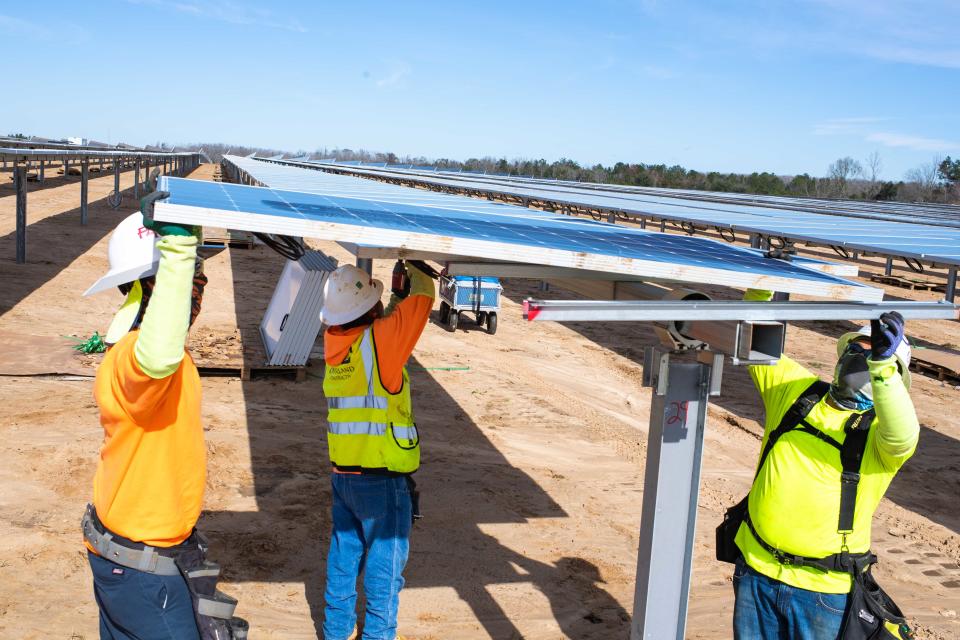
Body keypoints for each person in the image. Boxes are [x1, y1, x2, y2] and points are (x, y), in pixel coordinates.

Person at [81, 183, 243, 639]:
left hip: (126, 557)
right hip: (143, 570)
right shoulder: (139, 358)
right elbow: (159, 354)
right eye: (193, 279)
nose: (200, 287)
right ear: (154, 284)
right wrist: (178, 247)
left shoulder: (129, 351)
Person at [731, 289, 918, 639]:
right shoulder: (796, 392)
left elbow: (904, 435)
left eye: (874, 358)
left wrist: (882, 367)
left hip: (823, 594)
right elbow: (754, 339)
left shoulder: (881, 437)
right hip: (756, 572)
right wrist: (759, 287)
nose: (860, 360)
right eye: (856, 350)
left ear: (889, 377)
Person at [319, 260, 435, 640]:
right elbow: (422, 299)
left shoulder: (337, 346)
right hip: (380, 480)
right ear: (370, 309)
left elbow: (386, 323)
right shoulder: (379, 343)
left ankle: (337, 631)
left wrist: (395, 295)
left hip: (344, 478)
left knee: (344, 556)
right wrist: (416, 269)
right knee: (385, 568)